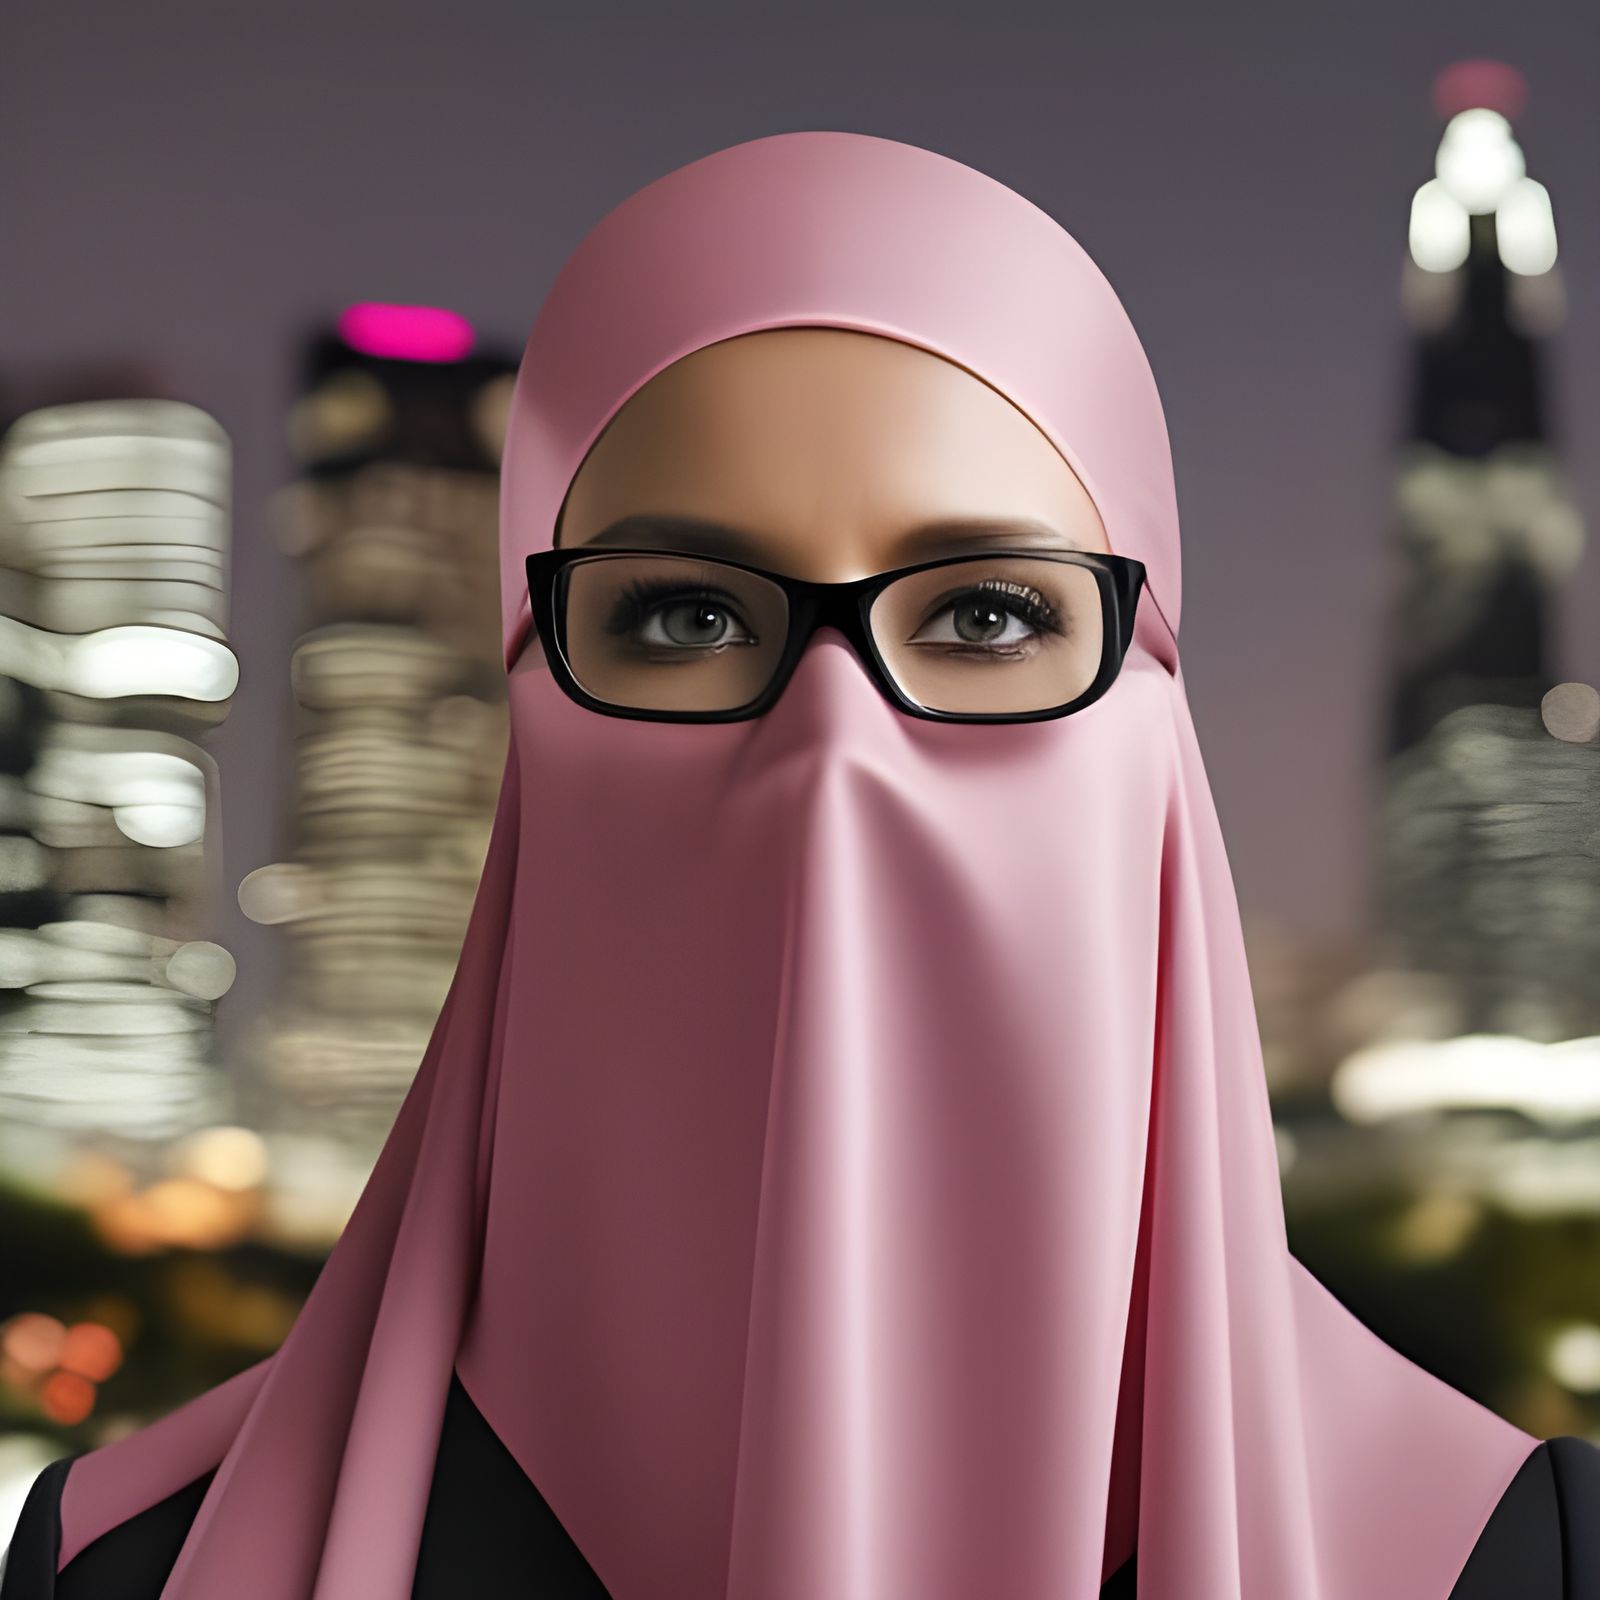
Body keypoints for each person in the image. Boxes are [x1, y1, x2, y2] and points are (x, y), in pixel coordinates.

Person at [4, 129, 1597, 1600]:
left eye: (986, 611)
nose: (835, 748)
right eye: (687, 614)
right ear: (529, 673)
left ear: (1150, 690)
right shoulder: (120, 1566)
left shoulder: (1519, 1556)